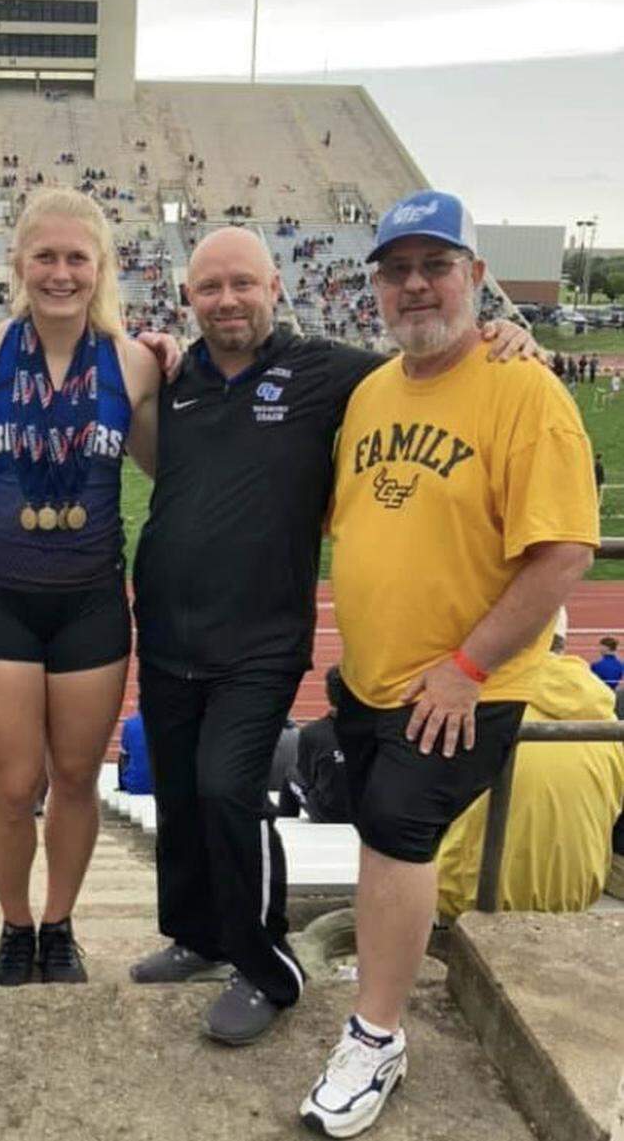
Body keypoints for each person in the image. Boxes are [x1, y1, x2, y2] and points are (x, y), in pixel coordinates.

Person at [129, 223, 536, 1046]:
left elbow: (431, 363)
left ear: (276, 287)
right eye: (209, 287)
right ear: (188, 298)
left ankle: (264, 961)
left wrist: (501, 330)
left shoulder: (334, 372)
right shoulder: (177, 378)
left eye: (243, 283)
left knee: (227, 790)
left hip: (261, 636)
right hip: (168, 627)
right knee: (178, 793)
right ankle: (199, 933)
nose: (227, 300)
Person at [301, 190, 598, 1137]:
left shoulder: (526, 389)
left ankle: (375, 1035)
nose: (415, 285)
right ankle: (384, 983)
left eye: (436, 265)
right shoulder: (374, 392)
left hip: (464, 683)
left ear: (476, 276)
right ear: (377, 290)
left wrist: (467, 666)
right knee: (378, 828)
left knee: (396, 827)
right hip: (373, 674)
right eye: (397, 270)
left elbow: (564, 552)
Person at [0, 188, 162, 986]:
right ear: (19, 264)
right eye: (46, 256)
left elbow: (169, 466)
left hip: (90, 600)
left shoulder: (136, 360)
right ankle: (13, 928)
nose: (62, 273)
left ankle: (60, 926)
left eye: (78, 258)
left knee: (76, 777)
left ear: (101, 266)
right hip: (0, 595)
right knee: (14, 781)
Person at [435, 611, 624, 918]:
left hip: (473, 900)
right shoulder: (604, 715)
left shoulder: (472, 707)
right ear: (561, 644)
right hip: (573, 897)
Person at [276, 667, 351, 824]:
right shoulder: (373, 730)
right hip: (366, 813)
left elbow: (306, 776)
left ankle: (284, 820)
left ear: (327, 693)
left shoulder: (311, 732)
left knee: (291, 774)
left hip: (328, 814)